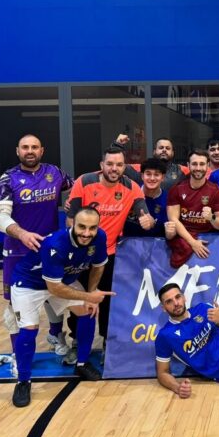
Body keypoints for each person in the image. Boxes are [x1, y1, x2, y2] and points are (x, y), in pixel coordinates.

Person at [10, 207, 115, 407]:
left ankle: (82, 364)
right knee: (29, 330)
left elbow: (99, 265)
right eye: (82, 227)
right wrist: (89, 295)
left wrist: (91, 294)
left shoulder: (100, 237)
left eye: (92, 228)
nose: (86, 233)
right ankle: (23, 381)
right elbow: (54, 288)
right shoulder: (56, 244)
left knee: (88, 311)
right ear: (71, 224)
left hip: (63, 280)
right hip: (30, 283)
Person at [0, 134, 74, 361]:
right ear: (18, 151)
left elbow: (79, 188)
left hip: (49, 249)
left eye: (34, 147)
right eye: (25, 147)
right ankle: (19, 355)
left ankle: (56, 336)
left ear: (42, 150)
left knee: (52, 292)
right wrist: (22, 233)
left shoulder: (56, 173)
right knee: (14, 304)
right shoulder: (7, 180)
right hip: (17, 252)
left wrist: (72, 202)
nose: (30, 151)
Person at [67, 147, 152, 350]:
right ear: (102, 165)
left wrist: (146, 220)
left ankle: (107, 343)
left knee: (106, 301)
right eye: (110, 164)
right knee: (79, 300)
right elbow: (70, 221)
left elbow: (144, 214)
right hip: (80, 254)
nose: (114, 169)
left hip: (109, 255)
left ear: (125, 167)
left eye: (119, 165)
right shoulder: (84, 182)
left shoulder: (132, 188)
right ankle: (78, 343)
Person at [166, 149, 219, 265]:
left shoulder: (215, 191)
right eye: (194, 164)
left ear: (208, 165)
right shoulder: (177, 189)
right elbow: (173, 219)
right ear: (188, 165)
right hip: (184, 236)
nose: (198, 168)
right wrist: (193, 242)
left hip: (208, 239)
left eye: (202, 164)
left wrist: (211, 217)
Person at [122, 158, 168, 238]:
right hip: (127, 245)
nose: (152, 178)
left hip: (157, 246)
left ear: (163, 177)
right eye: (148, 174)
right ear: (142, 176)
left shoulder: (169, 199)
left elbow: (169, 231)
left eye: (156, 174)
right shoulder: (129, 193)